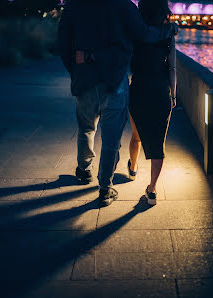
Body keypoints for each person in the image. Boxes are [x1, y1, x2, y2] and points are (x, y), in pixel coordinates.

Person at [58, 0, 177, 207]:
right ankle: (105, 189)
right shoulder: (123, 6)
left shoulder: (74, 5)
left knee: (86, 127)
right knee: (111, 138)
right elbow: (145, 34)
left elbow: (62, 43)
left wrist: (76, 71)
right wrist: (170, 29)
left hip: (85, 79)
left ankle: (84, 170)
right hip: (115, 81)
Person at [127, 0, 177, 206]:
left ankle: (132, 167)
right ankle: (152, 189)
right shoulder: (168, 32)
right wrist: (173, 95)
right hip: (160, 92)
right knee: (158, 142)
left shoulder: (135, 31)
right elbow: (172, 67)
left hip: (138, 90)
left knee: (136, 136)